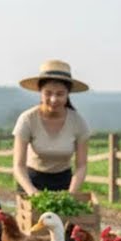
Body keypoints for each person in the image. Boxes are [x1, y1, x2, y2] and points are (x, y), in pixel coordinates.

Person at [13, 59, 91, 196]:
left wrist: (70, 193)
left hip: (64, 183)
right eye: (48, 93)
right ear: (40, 93)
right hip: (31, 182)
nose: (54, 99)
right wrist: (32, 192)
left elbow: (81, 166)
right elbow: (18, 166)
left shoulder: (78, 122)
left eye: (60, 94)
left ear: (68, 94)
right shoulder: (27, 119)